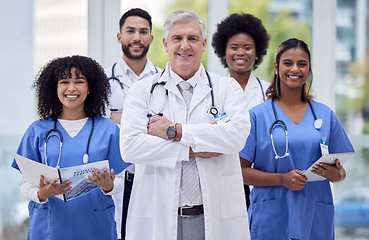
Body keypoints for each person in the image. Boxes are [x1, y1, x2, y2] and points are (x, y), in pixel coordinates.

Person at [120, 10, 251, 240]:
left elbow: (236, 137)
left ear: (203, 44)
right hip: (157, 216)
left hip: (212, 219)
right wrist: (193, 148)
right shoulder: (142, 91)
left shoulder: (227, 88)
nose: (184, 45)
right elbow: (130, 147)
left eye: (192, 38)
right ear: (165, 43)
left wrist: (176, 131)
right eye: (177, 38)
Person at [239, 38, 355, 240]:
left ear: (309, 70)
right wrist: (281, 179)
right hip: (272, 217)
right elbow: (239, 172)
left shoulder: (325, 116)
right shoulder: (257, 116)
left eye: (302, 64)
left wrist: (335, 174)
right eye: (288, 63)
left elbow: (340, 174)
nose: (295, 69)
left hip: (315, 216)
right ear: (276, 67)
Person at [11, 55, 129, 240]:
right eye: (64, 81)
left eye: (79, 81)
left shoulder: (109, 130)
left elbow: (119, 180)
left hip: (95, 228)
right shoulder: (37, 131)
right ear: (55, 88)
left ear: (90, 87)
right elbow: (24, 184)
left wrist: (109, 186)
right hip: (50, 228)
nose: (71, 88)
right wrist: (41, 193)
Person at [104, 8, 161, 240]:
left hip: (153, 176)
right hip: (117, 178)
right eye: (130, 31)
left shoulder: (164, 79)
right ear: (120, 37)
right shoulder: (102, 81)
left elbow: (168, 125)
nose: (137, 37)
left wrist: (121, 118)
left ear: (151, 38)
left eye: (143, 31)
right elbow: (96, 126)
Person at [212, 13, 269, 209]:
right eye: (234, 47)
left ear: (257, 52)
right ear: (223, 52)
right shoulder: (211, 92)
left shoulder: (270, 92)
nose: (240, 53)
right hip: (222, 176)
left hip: (257, 177)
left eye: (247, 47)